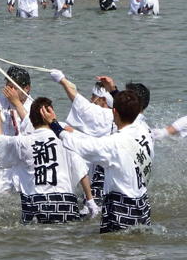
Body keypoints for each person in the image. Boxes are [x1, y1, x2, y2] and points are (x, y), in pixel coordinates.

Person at [49, 91, 153, 233]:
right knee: (139, 248)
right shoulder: (144, 130)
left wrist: (54, 124)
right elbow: (95, 144)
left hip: (121, 207)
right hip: (143, 204)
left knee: (115, 251)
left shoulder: (114, 143)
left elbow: (83, 148)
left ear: (114, 112)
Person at [0, 96, 89, 224]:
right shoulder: (67, 140)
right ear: (52, 116)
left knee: (35, 239)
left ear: (31, 121)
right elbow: (81, 170)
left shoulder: (22, 142)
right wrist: (90, 200)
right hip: (66, 206)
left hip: (36, 206)